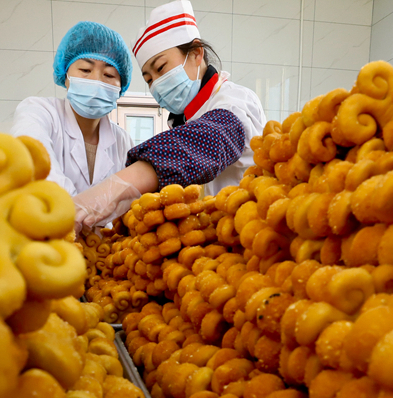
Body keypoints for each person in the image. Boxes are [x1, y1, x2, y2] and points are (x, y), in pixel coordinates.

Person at [72, 0, 266, 231]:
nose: (157, 84)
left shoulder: (235, 101)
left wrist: (112, 189)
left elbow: (208, 139)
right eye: (149, 79)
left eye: (161, 68)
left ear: (196, 53)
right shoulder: (188, 119)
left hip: (248, 233)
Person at [11, 22, 134, 198]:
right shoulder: (38, 112)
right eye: (85, 69)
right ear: (65, 75)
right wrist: (80, 209)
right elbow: (33, 165)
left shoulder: (123, 142)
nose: (96, 81)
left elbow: (130, 200)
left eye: (109, 74)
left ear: (121, 86)